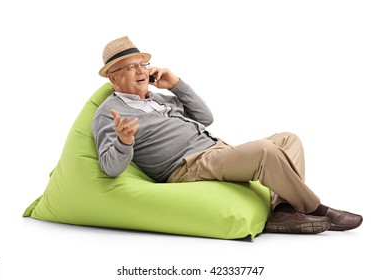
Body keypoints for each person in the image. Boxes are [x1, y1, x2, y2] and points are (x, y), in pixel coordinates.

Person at [92, 36, 363, 234]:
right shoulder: (110, 112)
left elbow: (205, 118)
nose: (141, 71)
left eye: (143, 64)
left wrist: (176, 85)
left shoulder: (160, 98)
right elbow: (110, 167)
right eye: (130, 67)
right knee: (264, 152)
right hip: (188, 167)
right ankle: (314, 208)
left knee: (287, 139)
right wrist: (124, 142)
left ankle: (282, 211)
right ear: (113, 78)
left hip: (216, 150)